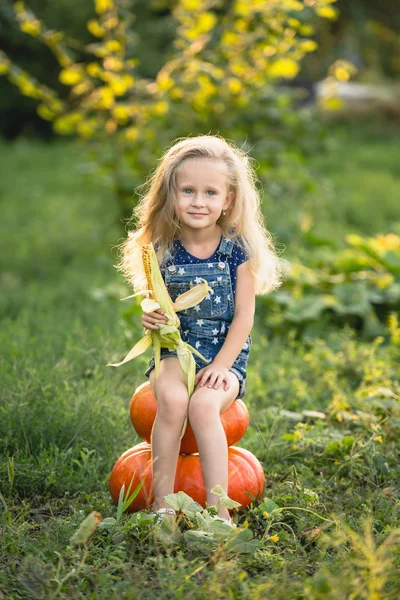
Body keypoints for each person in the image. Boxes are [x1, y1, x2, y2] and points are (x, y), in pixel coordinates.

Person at [116, 135, 284, 525]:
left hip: (225, 353)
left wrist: (223, 366)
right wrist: (151, 316)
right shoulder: (162, 247)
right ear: (171, 194)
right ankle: (162, 506)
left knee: (204, 405)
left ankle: (219, 510)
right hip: (176, 350)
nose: (198, 201)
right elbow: (155, 301)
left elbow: (244, 316)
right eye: (187, 190)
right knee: (173, 402)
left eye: (210, 192)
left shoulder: (237, 250)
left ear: (227, 200)